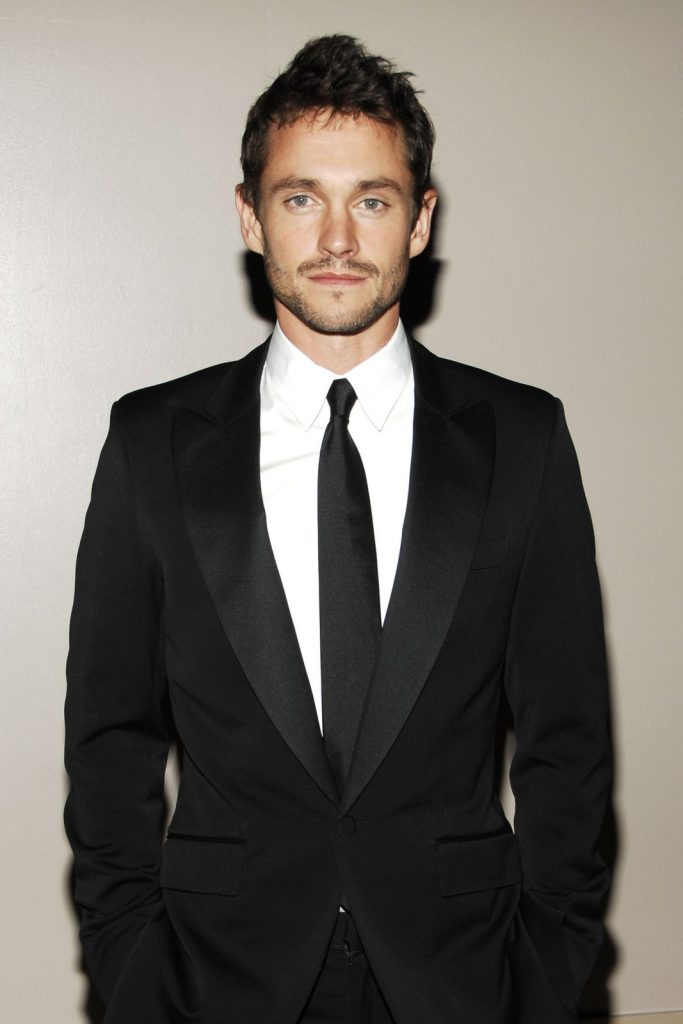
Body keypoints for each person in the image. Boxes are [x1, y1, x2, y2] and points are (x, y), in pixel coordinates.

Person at [65, 34, 611, 1024]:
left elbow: (566, 739)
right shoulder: (151, 442)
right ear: (249, 216)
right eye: (299, 198)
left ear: (419, 220)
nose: (335, 240)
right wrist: (130, 962)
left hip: (466, 979)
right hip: (213, 980)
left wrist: (547, 968)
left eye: (371, 200)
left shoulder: (520, 439)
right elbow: (111, 737)